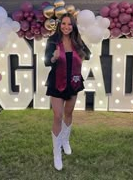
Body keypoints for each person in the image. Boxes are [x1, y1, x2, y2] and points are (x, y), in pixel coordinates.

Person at [44, 13, 91, 171]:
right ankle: (56, 152)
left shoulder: (77, 41)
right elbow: (46, 61)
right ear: (59, 25)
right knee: (57, 116)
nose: (66, 27)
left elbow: (88, 54)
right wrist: (54, 58)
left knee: (69, 114)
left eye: (69, 24)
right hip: (56, 82)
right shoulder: (53, 41)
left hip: (74, 82)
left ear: (73, 26)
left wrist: (81, 57)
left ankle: (65, 141)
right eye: (63, 23)